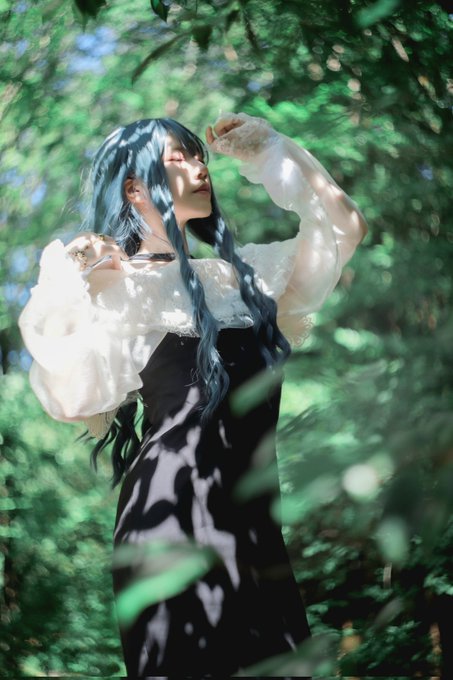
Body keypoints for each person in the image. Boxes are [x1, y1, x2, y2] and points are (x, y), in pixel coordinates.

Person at [19, 111, 367, 676]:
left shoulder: (243, 278)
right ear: (135, 189)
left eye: (198, 154)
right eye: (177, 158)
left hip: (255, 531)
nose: (199, 166)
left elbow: (344, 229)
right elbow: (69, 397)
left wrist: (272, 149)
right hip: (168, 521)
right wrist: (76, 279)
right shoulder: (118, 284)